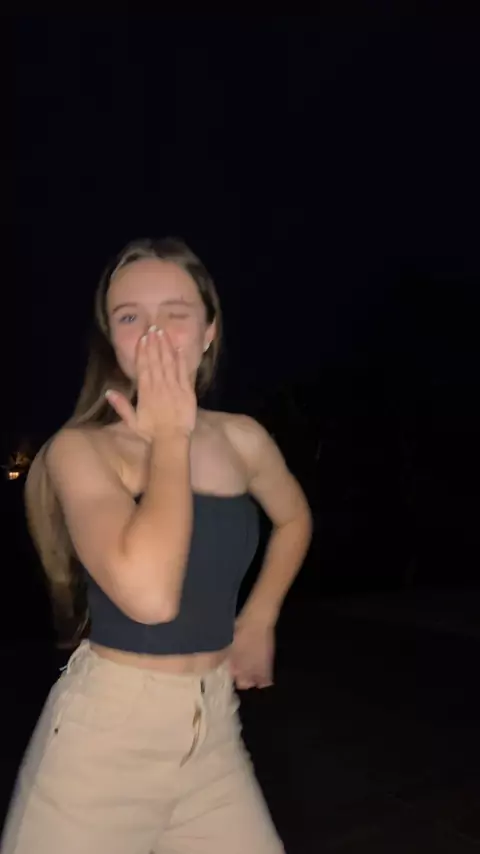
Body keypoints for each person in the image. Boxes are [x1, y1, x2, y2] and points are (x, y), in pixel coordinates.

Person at [1, 238, 312, 854]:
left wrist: (260, 615)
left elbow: (294, 518)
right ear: (112, 342)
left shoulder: (243, 439)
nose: (153, 335)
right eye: (129, 317)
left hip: (212, 733)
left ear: (209, 332)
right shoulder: (82, 450)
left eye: (176, 313)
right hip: (103, 748)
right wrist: (171, 440)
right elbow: (149, 598)